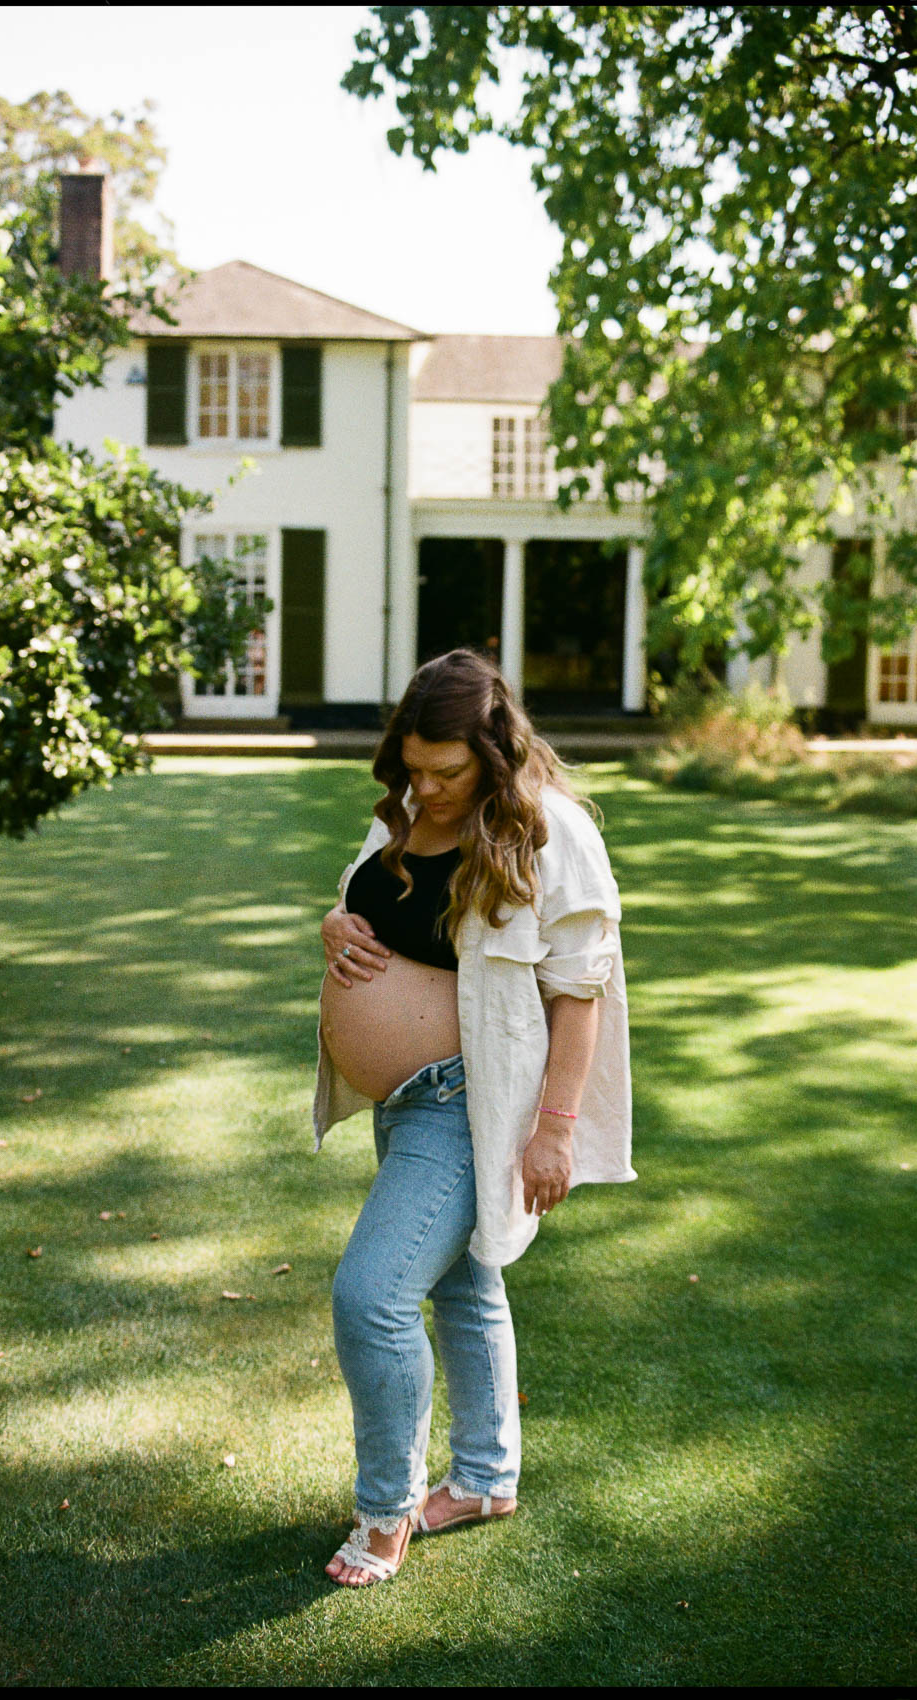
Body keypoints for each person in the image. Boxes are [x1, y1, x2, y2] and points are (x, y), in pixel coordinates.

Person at [314, 648, 635, 1587]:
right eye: (412, 769)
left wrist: (555, 1129)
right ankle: (487, 1478)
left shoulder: (550, 832)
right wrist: (334, 924)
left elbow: (580, 991)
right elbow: (366, 900)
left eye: (446, 772)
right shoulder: (409, 814)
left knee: (371, 1297)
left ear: (494, 755)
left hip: (467, 1105)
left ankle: (385, 1513)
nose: (425, 788)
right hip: (402, 1105)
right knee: (463, 1284)